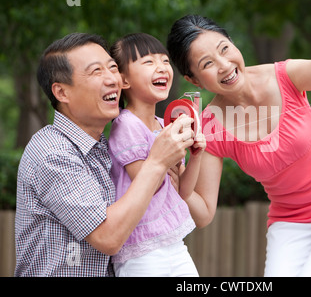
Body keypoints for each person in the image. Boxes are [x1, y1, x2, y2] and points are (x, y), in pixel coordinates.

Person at [166, 0, 311, 276]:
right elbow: (205, 212)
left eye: (224, 49)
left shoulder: (283, 76)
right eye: (207, 63)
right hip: (290, 218)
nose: (224, 64)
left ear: (233, 42)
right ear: (193, 80)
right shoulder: (209, 127)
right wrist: (176, 179)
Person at [15, 33, 194, 276]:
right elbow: (108, 237)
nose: (113, 79)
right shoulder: (52, 152)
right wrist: (157, 162)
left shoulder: (104, 146)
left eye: (112, 68)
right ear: (62, 92)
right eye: (96, 72)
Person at [108, 33, 206, 276]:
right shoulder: (125, 125)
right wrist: (166, 155)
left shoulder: (165, 125)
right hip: (140, 248)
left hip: (173, 242)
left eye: (164, 61)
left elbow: (183, 191)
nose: (162, 67)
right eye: (149, 62)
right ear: (124, 80)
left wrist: (195, 155)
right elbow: (147, 183)